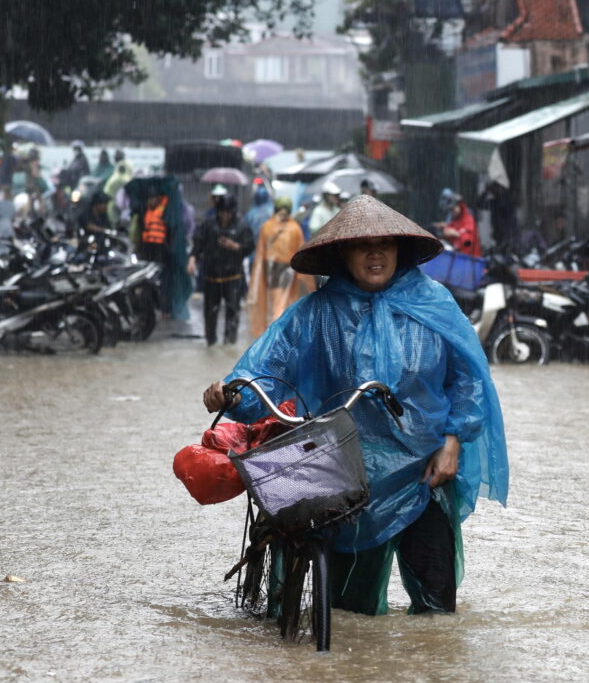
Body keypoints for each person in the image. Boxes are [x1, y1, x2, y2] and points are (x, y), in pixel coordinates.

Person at [201, 195, 508, 616]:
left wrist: (453, 439)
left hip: (427, 471)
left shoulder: (433, 303)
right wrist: (233, 393)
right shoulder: (315, 312)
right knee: (350, 615)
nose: (376, 253)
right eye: (363, 245)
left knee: (438, 613)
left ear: (400, 250)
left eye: (385, 243)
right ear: (344, 253)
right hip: (348, 477)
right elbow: (262, 369)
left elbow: (469, 378)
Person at [190, 195, 253, 346]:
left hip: (233, 277)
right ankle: (210, 343)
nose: (225, 215)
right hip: (212, 276)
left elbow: (250, 246)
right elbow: (198, 243)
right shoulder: (208, 224)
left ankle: (229, 344)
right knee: (210, 312)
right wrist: (192, 259)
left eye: (228, 212)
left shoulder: (242, 226)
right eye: (222, 212)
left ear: (233, 212)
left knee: (233, 312)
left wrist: (236, 247)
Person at [247, 197, 313, 339]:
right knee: (281, 301)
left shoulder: (267, 226)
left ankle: (274, 331)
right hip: (285, 268)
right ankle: (278, 332)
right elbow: (300, 251)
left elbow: (260, 251)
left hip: (269, 267)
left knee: (274, 301)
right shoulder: (294, 228)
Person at [436, 190, 480, 257]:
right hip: (457, 259)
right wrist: (444, 232)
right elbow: (448, 232)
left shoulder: (468, 219)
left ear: (459, 205)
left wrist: (456, 234)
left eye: (453, 209)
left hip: (470, 260)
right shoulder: (455, 221)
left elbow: (468, 242)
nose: (452, 212)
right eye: (450, 210)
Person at [138, 190, 169, 265]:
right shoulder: (147, 211)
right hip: (148, 244)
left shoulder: (164, 210)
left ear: (158, 199)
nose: (150, 201)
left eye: (152, 199)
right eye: (149, 199)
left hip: (160, 245)